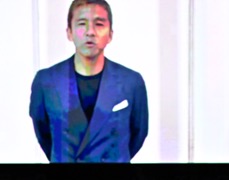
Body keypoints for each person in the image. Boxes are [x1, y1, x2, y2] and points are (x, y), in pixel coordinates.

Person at [30, 0, 148, 163]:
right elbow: (43, 134)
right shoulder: (46, 81)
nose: (90, 32)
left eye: (99, 24)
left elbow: (138, 133)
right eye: (81, 24)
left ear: (110, 34)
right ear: (69, 33)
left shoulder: (132, 82)